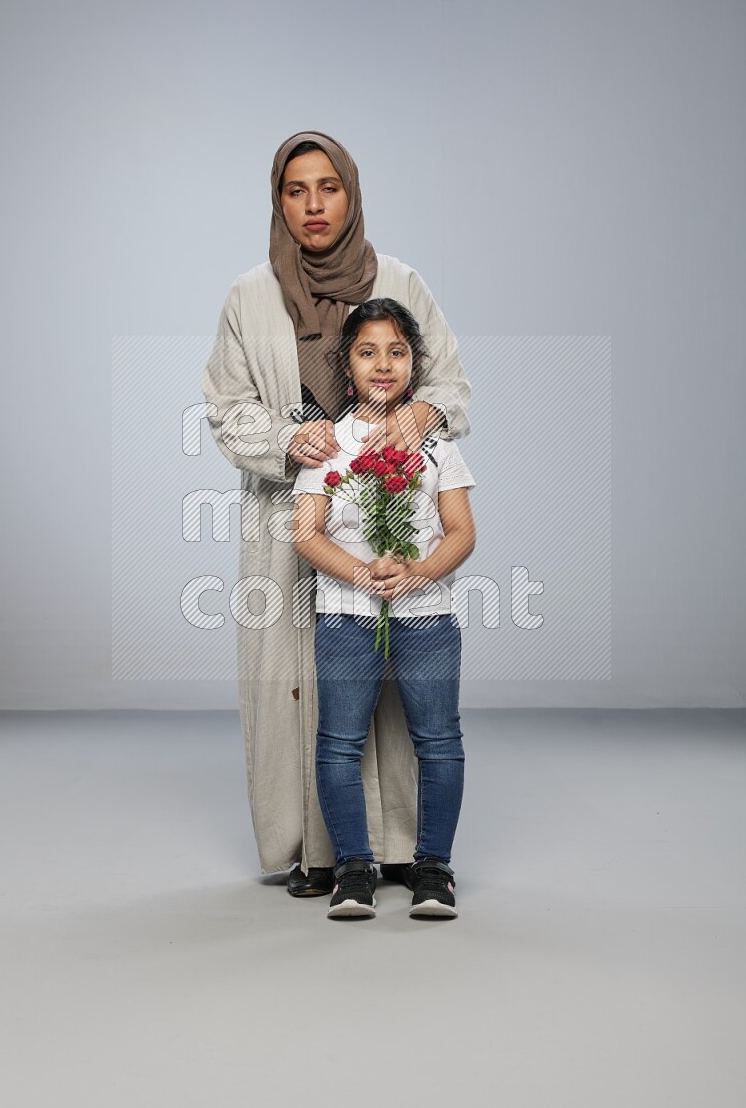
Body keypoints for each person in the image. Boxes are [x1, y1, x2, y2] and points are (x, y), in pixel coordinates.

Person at [202, 130, 471, 895]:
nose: (314, 206)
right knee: (299, 677)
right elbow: (225, 410)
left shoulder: (400, 280)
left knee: (392, 664)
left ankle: (396, 848)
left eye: (329, 188)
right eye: (295, 190)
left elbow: (450, 384)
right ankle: (323, 854)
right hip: (290, 511)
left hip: (389, 504)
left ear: (352, 194)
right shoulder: (249, 295)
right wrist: (291, 438)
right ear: (278, 201)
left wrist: (420, 419)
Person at [292, 298, 476, 918]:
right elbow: (307, 532)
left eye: (397, 352)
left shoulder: (434, 444)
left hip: (426, 615)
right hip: (346, 613)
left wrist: (420, 571)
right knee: (339, 742)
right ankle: (353, 869)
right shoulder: (328, 444)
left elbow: (461, 531)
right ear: (348, 366)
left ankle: (433, 869)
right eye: (368, 351)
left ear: (414, 367)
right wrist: (362, 573)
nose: (383, 364)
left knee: (439, 739)